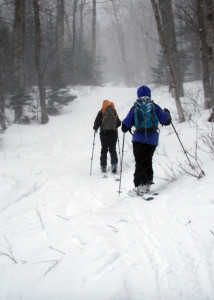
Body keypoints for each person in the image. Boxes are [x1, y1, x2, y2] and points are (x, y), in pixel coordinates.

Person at [121, 85, 171, 195]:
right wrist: (167, 113)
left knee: (140, 162)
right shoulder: (154, 106)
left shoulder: (135, 108)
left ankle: (140, 186)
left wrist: (125, 123)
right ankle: (147, 184)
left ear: (138, 95)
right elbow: (166, 121)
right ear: (149, 94)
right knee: (147, 160)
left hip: (139, 139)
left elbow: (125, 126)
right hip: (152, 140)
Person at [93, 100, 121, 174]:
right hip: (113, 133)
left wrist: (95, 128)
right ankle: (114, 164)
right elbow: (119, 122)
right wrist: (114, 127)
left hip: (104, 133)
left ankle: (103, 166)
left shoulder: (101, 111)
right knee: (113, 149)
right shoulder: (114, 111)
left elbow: (96, 123)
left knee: (104, 149)